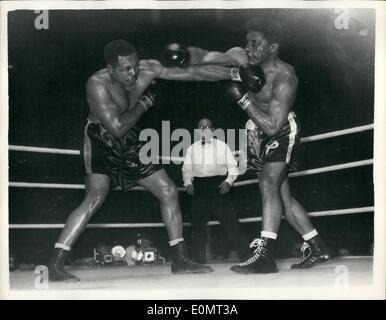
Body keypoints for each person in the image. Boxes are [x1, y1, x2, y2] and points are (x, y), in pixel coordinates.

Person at [47, 39, 241, 282]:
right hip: (100, 139)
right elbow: (116, 128)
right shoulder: (98, 84)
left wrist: (234, 73)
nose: (133, 72)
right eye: (126, 69)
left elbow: (192, 73)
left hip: (131, 139)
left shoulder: (147, 69)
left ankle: (180, 259)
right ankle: (55, 263)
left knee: (168, 190)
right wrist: (145, 103)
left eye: (135, 65)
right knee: (95, 197)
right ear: (110, 69)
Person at [185, 19, 333, 273]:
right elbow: (209, 58)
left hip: (280, 129)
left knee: (267, 183)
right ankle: (317, 246)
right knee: (281, 196)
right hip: (257, 131)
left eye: (256, 43)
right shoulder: (242, 59)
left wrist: (242, 100)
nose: (249, 48)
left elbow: (274, 126)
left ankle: (265, 255)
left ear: (273, 47)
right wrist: (187, 56)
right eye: (247, 42)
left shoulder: (285, 77)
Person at [182, 118, 249, 263]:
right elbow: (186, 170)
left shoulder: (222, 146)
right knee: (197, 225)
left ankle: (247, 257)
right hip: (199, 187)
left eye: (207, 127)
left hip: (218, 186)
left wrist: (228, 182)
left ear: (213, 129)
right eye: (201, 127)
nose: (204, 129)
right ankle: (198, 261)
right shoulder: (191, 149)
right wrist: (188, 183)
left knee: (231, 223)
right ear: (197, 130)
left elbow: (233, 168)